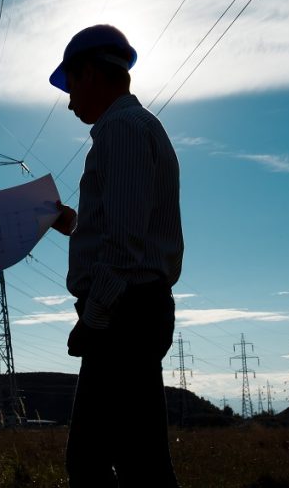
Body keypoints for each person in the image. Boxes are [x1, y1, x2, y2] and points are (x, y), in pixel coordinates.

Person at [48, 25, 184, 487]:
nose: (69, 102)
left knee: (95, 461)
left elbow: (125, 243)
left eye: (70, 86)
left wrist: (96, 315)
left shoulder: (121, 130)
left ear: (89, 74)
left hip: (125, 312)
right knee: (138, 460)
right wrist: (74, 223)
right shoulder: (133, 127)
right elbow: (127, 225)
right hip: (134, 308)